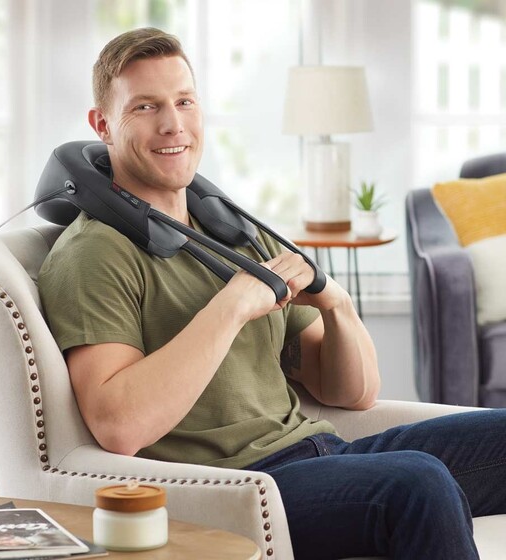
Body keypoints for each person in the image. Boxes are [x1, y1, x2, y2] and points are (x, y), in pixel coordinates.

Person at [38, 27, 506, 559]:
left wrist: (336, 304)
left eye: (184, 101)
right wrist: (231, 306)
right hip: (234, 488)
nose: (173, 124)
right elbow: (119, 426)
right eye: (145, 107)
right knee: (418, 482)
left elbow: (352, 394)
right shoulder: (94, 253)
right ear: (102, 124)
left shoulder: (235, 233)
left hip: (320, 453)